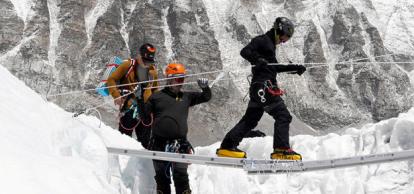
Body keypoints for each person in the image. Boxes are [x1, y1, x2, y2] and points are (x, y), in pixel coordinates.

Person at [216, 17, 306, 160]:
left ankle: (228, 145)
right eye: (285, 36)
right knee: (283, 116)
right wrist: (257, 59)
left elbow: (274, 67)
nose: (285, 40)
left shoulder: (270, 45)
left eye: (288, 38)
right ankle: (281, 149)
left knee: (250, 120)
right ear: (279, 30)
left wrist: (295, 68)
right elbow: (245, 51)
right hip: (264, 88)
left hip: (258, 89)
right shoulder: (263, 40)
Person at [138, 63, 211, 194]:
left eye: (182, 79)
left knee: (181, 177)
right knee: (162, 179)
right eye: (178, 79)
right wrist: (139, 99)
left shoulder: (187, 97)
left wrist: (205, 88)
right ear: (169, 78)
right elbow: (144, 118)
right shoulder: (156, 97)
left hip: (180, 144)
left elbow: (206, 97)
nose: (180, 83)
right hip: (159, 144)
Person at [106, 43, 159, 148]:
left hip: (146, 111)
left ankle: (142, 162)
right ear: (139, 56)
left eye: (149, 62)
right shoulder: (128, 65)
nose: (147, 64)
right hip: (129, 108)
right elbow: (111, 79)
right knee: (124, 140)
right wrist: (116, 95)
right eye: (145, 61)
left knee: (145, 143)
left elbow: (155, 90)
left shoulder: (153, 72)